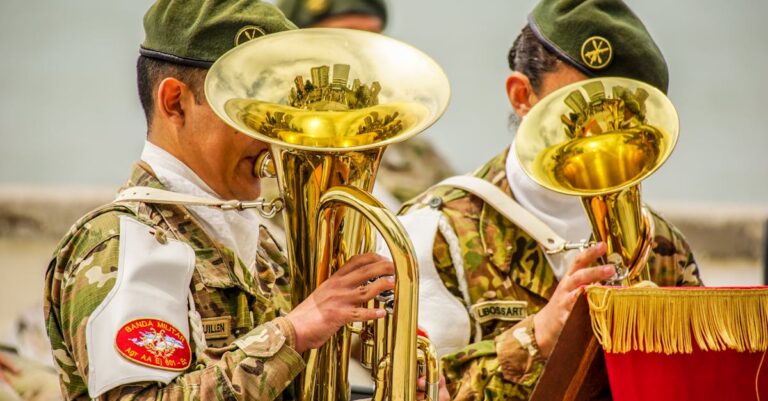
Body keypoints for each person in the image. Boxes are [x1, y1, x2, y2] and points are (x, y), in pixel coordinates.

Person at [43, 2, 402, 400]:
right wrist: (294, 332)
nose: (275, 138)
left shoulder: (262, 246)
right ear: (175, 102)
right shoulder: (120, 243)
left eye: (282, 111)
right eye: (248, 110)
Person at [398, 1, 703, 400]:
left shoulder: (662, 244)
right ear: (522, 95)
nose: (597, 133)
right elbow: (413, 390)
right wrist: (540, 335)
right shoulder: (436, 231)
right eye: (577, 109)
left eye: (623, 112)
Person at [276, 0, 456, 208]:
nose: (363, 53)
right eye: (346, 38)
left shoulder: (416, 154)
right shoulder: (263, 150)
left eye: (373, 38)